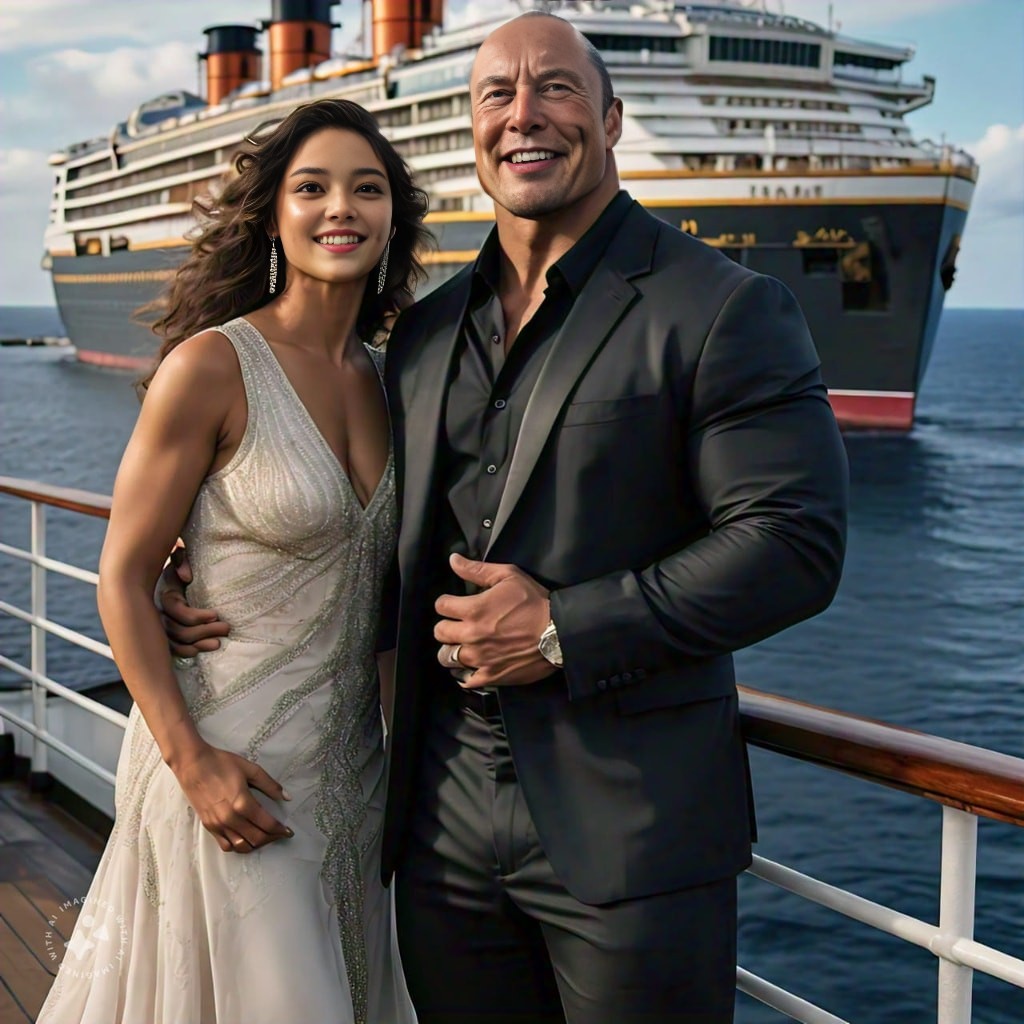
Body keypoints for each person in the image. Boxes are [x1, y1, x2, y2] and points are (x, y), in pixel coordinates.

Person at [165, 12, 849, 1024]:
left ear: (611, 117)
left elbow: (794, 544)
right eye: (496, 94)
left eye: (557, 88)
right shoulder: (427, 333)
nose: (523, 114)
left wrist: (564, 627)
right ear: (472, 125)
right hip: (435, 826)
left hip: (629, 831)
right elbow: (377, 532)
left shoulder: (719, 304)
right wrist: (204, 565)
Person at [37, 99, 428, 1024]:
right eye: (313, 188)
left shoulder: (397, 377)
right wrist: (191, 761)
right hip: (227, 766)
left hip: (358, 784)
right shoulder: (213, 366)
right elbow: (125, 576)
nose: (342, 208)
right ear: (274, 216)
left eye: (367, 189)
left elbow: (383, 602)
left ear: (394, 219)